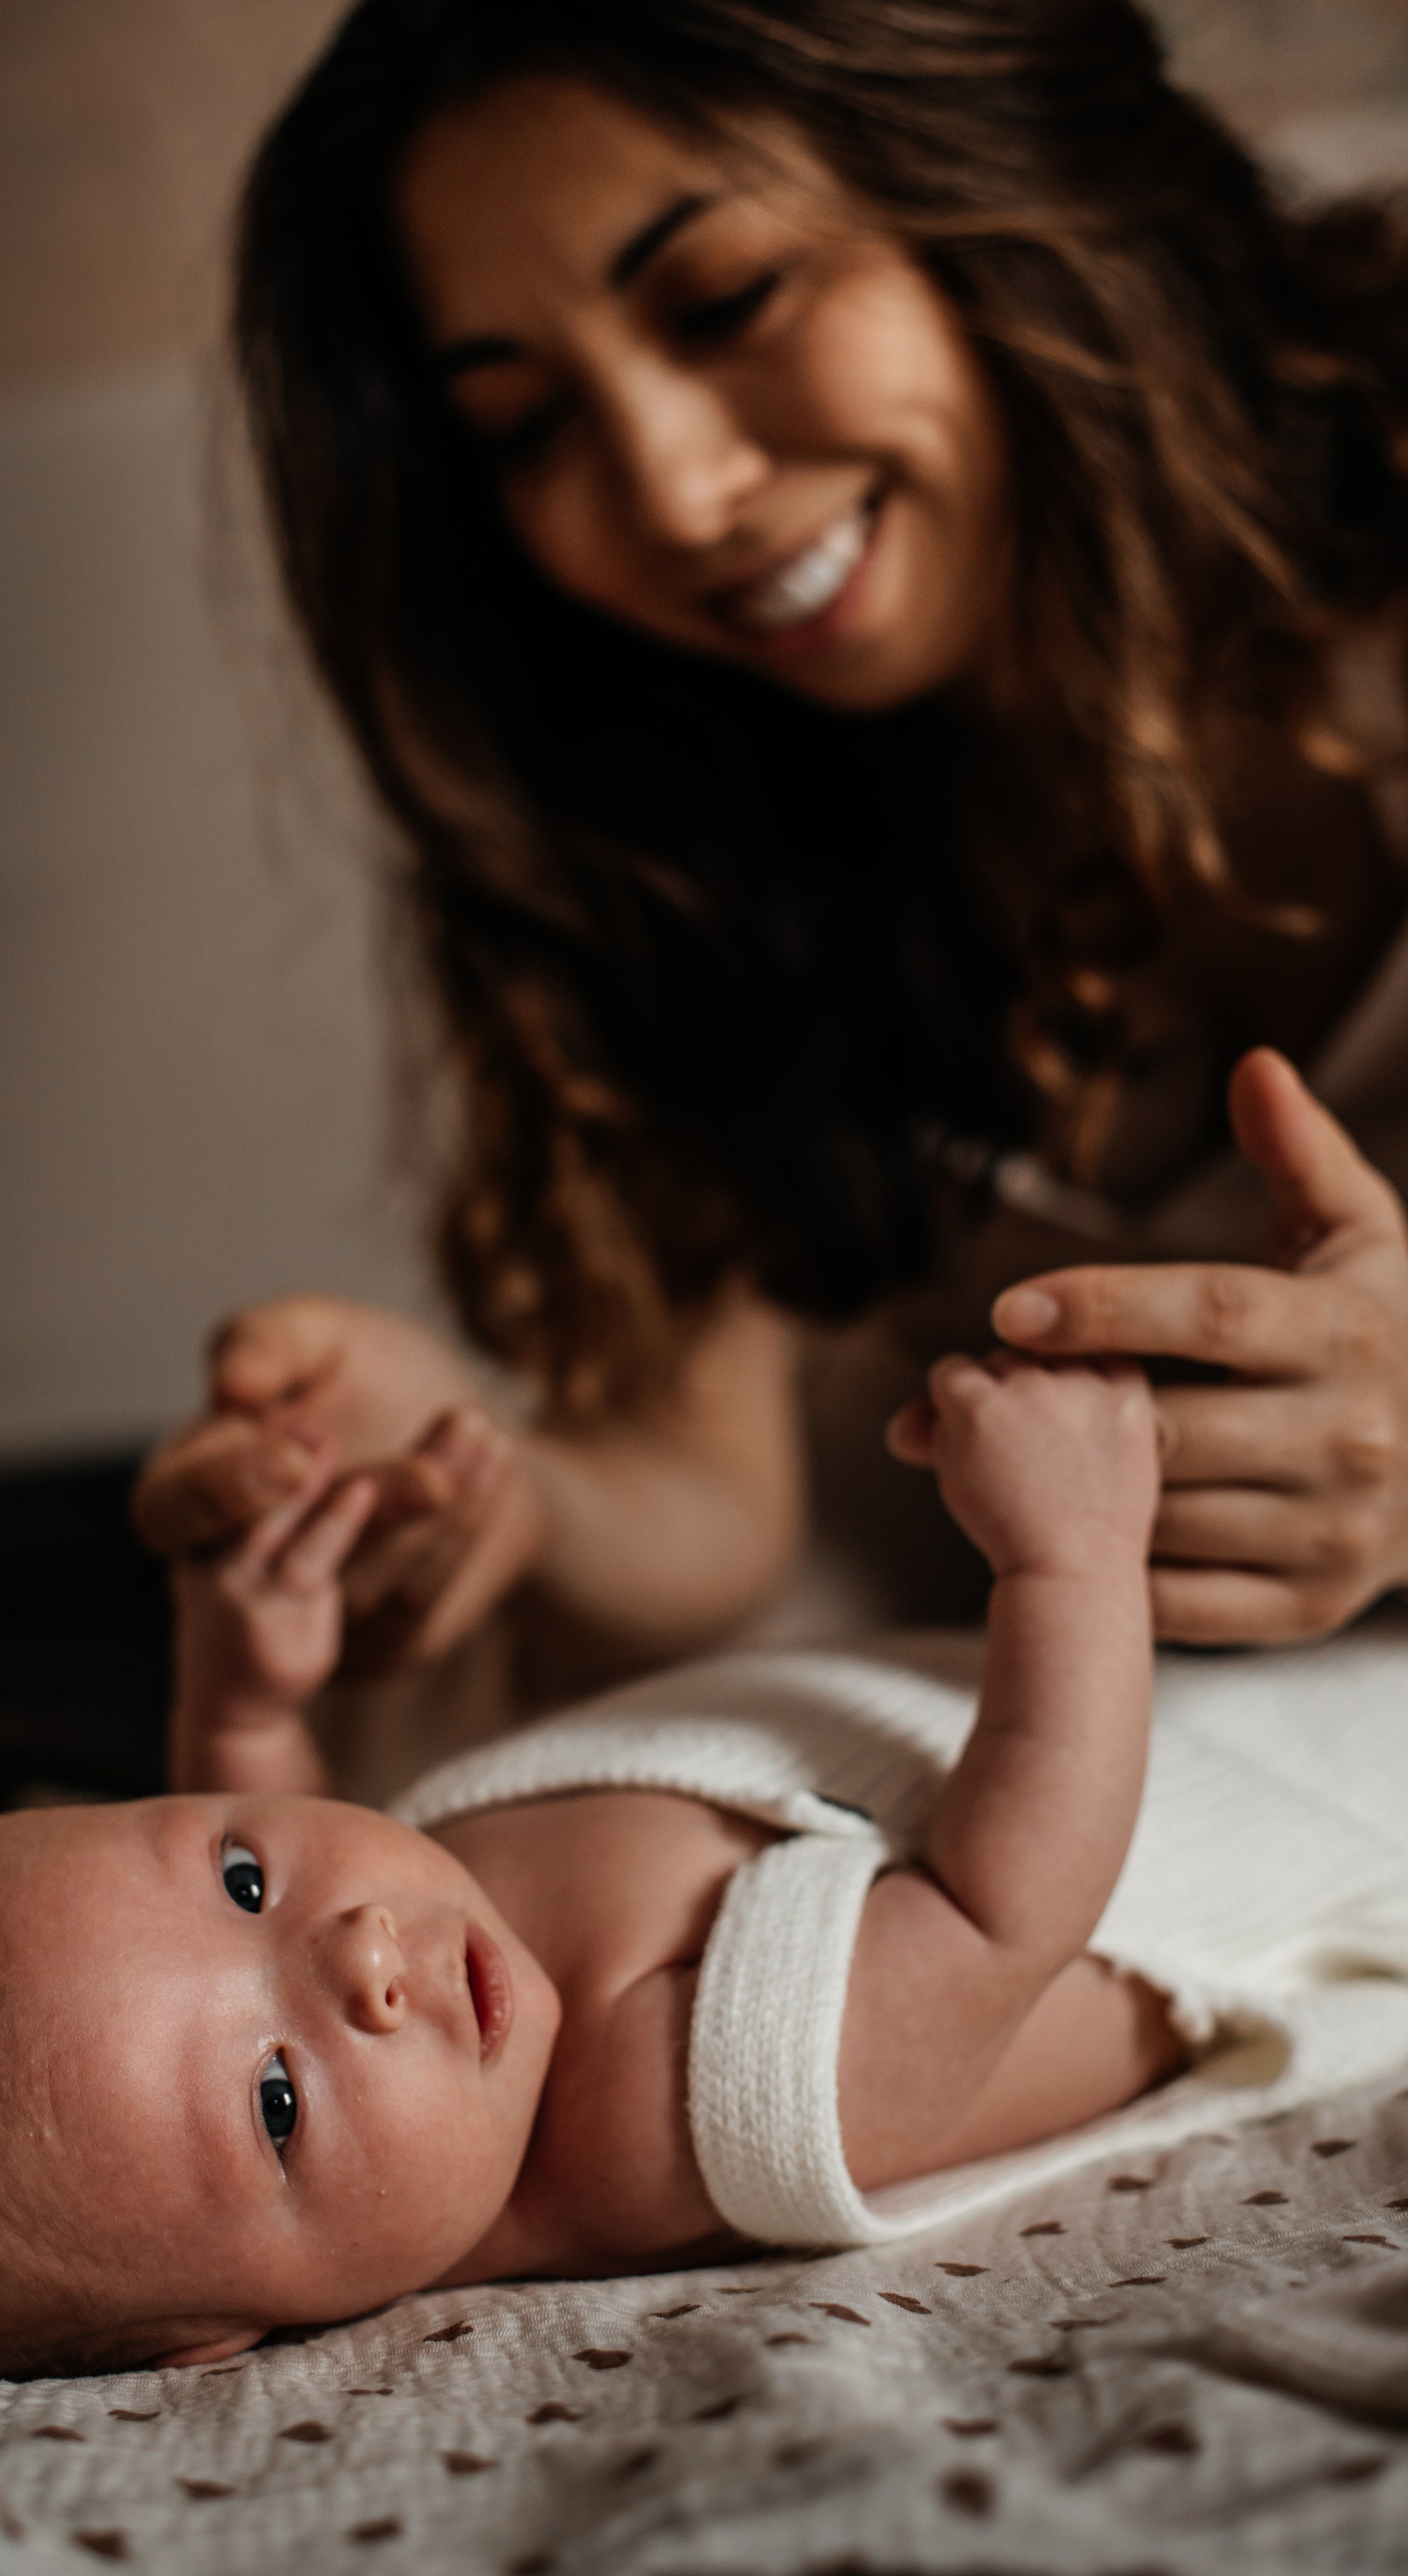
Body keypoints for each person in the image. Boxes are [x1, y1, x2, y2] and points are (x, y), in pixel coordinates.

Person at [136, 0, 1408, 1724]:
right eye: (523, 426)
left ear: (993, 165)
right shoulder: (679, 834)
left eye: (728, 300)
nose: (669, 491)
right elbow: (714, 1502)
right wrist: (478, 1474)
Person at [0, 1346, 1408, 2380]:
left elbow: (251, 1870)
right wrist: (1066, 1554)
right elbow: (1007, 1899)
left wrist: (242, 1688)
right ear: (214, 2334)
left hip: (1148, 1675)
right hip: (1279, 1801)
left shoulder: (433, 1972)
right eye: (278, 2103)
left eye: (242, 1879)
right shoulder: (676, 2107)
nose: (359, 1954)